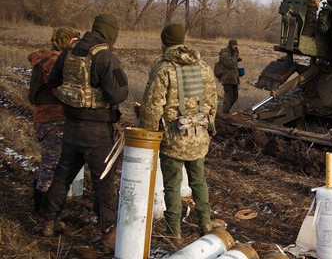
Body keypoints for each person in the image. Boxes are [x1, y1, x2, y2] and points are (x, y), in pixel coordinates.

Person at [40, 14, 128, 252]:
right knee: (104, 180)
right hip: (97, 130)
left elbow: (54, 80)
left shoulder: (69, 52)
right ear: (110, 33)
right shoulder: (105, 57)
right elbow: (118, 94)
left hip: (71, 125)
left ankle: (48, 221)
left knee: (63, 174)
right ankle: (108, 234)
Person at [140, 23, 218, 242]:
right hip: (199, 137)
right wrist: (208, 131)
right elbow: (212, 102)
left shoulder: (164, 68)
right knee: (199, 181)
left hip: (174, 139)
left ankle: (173, 231)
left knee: (172, 186)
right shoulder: (202, 66)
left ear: (164, 42)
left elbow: (153, 106)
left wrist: (149, 135)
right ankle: (206, 222)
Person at [27, 27, 80, 214]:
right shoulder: (54, 61)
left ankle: (40, 203)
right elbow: (59, 90)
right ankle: (44, 208)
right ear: (64, 42)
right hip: (52, 118)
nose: (76, 45)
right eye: (73, 41)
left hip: (46, 117)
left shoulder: (48, 59)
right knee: (52, 164)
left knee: (48, 162)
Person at [218, 38, 241, 113]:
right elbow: (230, 64)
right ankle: (223, 113)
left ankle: (226, 111)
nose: (236, 47)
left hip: (234, 79)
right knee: (228, 97)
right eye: (234, 46)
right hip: (227, 78)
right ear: (230, 45)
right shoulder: (224, 53)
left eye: (236, 45)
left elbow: (234, 65)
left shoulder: (232, 53)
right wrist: (235, 55)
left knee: (235, 96)